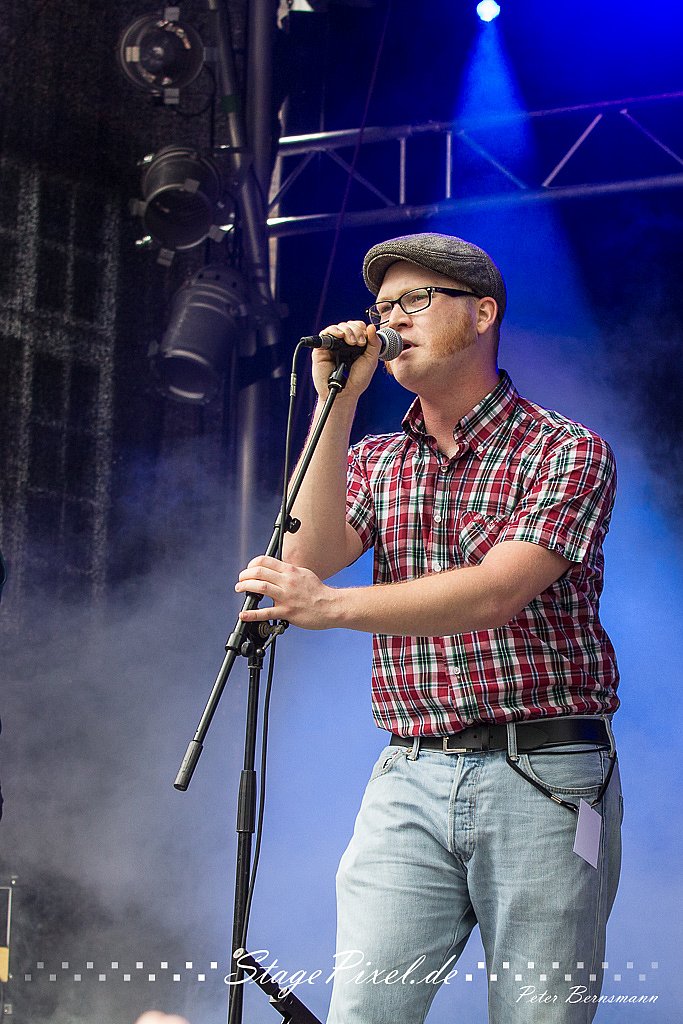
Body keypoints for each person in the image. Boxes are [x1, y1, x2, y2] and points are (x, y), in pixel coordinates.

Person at [235, 232, 622, 1023]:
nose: (391, 320)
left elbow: (493, 594)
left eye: (414, 300)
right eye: (382, 307)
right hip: (409, 771)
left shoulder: (564, 450)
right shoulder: (377, 458)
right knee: (363, 1013)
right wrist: (337, 402)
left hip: (546, 776)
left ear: (481, 314)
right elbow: (304, 555)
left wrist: (330, 607)